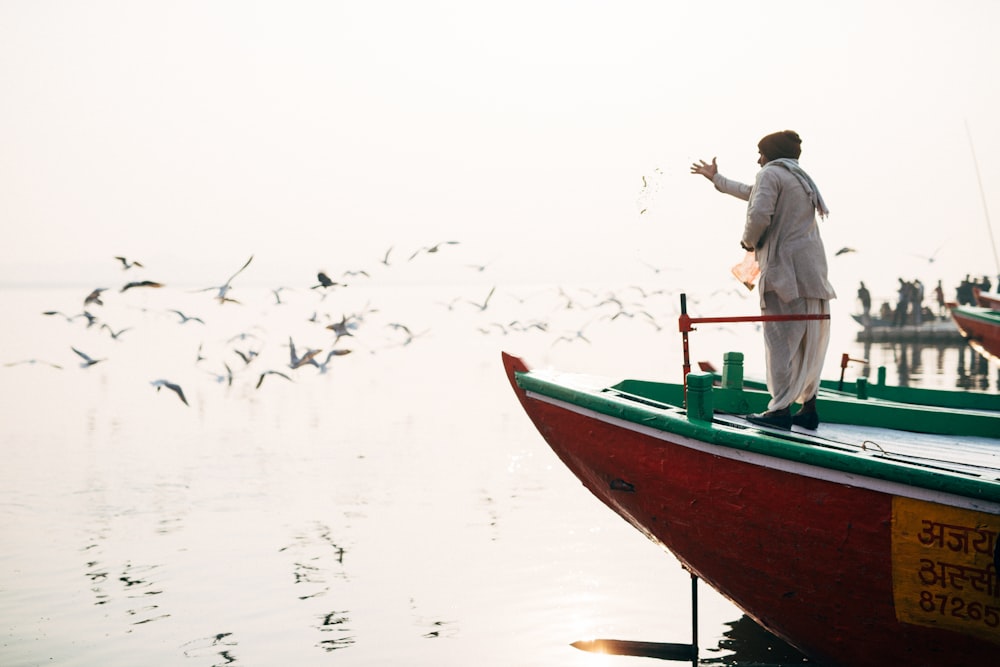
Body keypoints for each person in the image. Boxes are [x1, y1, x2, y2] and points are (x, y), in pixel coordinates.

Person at [691, 130, 836, 429]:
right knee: (809, 343)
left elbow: (759, 213)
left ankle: (779, 411)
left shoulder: (771, 173)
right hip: (813, 274)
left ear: (771, 154)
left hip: (785, 275)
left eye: (761, 153)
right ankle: (808, 409)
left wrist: (747, 243)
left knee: (780, 342)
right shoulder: (799, 177)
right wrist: (716, 179)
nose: (758, 160)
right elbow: (751, 191)